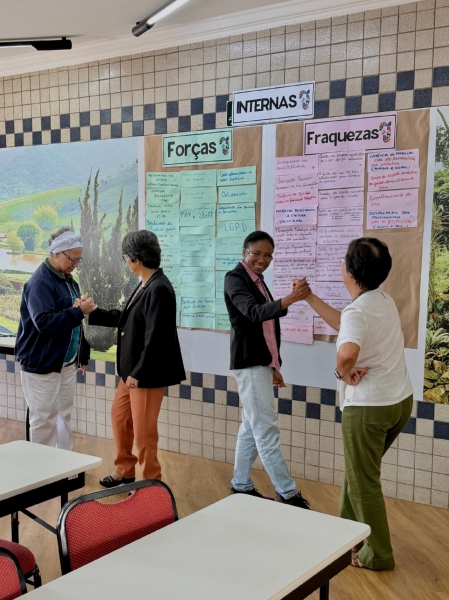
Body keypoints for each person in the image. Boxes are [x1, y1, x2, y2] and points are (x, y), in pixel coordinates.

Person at [297, 237, 413, 570]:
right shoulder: (381, 300)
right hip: (399, 402)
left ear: (348, 271)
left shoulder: (357, 312)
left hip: (369, 408)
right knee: (357, 472)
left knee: (363, 483)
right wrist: (309, 297)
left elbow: (347, 351)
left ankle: (378, 555)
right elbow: (344, 323)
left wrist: (341, 372)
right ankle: (348, 536)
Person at [86, 230, 186, 487]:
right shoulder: (146, 283)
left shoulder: (160, 288)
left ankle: (151, 484)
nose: (126, 263)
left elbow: (157, 338)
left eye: (125, 258)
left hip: (145, 375)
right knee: (120, 419)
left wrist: (138, 372)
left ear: (136, 259)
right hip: (130, 372)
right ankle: (125, 470)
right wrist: (94, 312)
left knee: (144, 434)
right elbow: (127, 319)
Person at [224, 230, 311, 508]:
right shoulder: (235, 278)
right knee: (266, 430)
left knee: (251, 428)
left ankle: (241, 485)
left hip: (260, 363)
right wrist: (291, 298)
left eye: (268, 255)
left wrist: (273, 365)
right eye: (256, 254)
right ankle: (288, 493)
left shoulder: (258, 281)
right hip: (248, 364)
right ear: (244, 252)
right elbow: (254, 313)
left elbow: (268, 328)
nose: (262, 260)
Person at [15, 228, 95, 450]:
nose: (75, 264)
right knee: (44, 420)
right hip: (42, 363)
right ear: (56, 253)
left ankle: (63, 464)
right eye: (72, 259)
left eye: (78, 259)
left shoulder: (68, 280)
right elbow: (44, 322)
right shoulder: (40, 283)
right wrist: (78, 311)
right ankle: (42, 468)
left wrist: (82, 355)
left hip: (65, 363)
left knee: (63, 416)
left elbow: (74, 321)